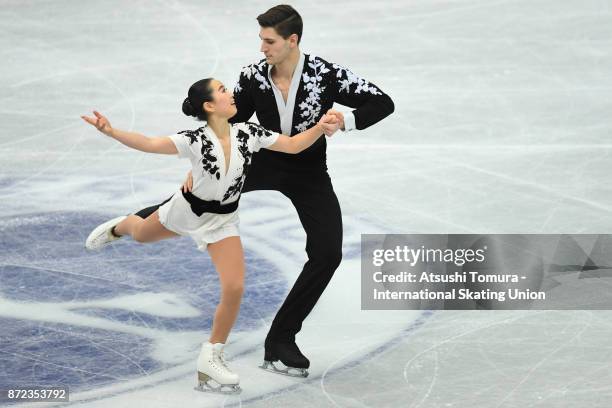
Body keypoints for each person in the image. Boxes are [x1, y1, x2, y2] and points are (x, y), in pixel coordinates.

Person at [88, 4, 394, 377]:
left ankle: (281, 339)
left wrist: (343, 119)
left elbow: (382, 102)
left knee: (327, 252)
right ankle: (129, 223)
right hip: (262, 159)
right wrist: (202, 161)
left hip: (309, 170)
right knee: (199, 195)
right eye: (261, 40)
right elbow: (229, 119)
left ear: (291, 40)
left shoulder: (325, 74)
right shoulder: (253, 76)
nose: (262, 48)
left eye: (269, 41)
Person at [82, 78, 339, 393]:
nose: (230, 94)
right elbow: (148, 143)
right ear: (208, 106)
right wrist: (111, 131)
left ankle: (211, 358)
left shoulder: (249, 133)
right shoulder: (193, 139)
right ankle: (118, 226)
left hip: (223, 220)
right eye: (222, 91)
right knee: (141, 234)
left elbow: (293, 145)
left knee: (234, 286)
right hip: (186, 210)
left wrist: (319, 127)